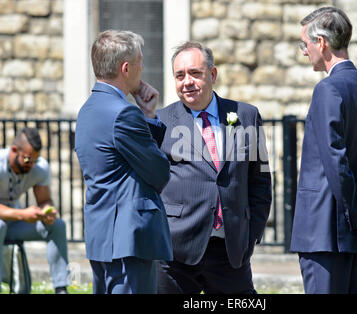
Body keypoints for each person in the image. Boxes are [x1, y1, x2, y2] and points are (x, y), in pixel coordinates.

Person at [289, 7, 357, 294]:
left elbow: (335, 160)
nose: (305, 51)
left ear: (322, 43)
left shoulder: (327, 90)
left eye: (306, 43)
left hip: (326, 234)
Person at [156, 41, 272, 294]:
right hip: (176, 253)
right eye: (179, 75)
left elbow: (260, 182)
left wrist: (250, 236)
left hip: (230, 252)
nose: (187, 81)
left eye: (195, 73)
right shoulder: (161, 122)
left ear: (212, 74)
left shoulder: (247, 116)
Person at [74, 30, 172, 294]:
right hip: (129, 241)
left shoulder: (87, 110)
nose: (143, 69)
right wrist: (148, 118)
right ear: (126, 68)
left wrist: (147, 114)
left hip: (102, 238)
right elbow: (160, 172)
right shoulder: (124, 113)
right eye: (140, 63)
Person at [0, 127, 70, 294]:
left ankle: (61, 288)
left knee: (58, 226)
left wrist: (48, 211)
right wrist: (22, 214)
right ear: (14, 150)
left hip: (15, 224)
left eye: (35, 160)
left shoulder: (40, 168)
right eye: (27, 160)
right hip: (6, 222)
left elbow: (44, 200)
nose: (32, 165)